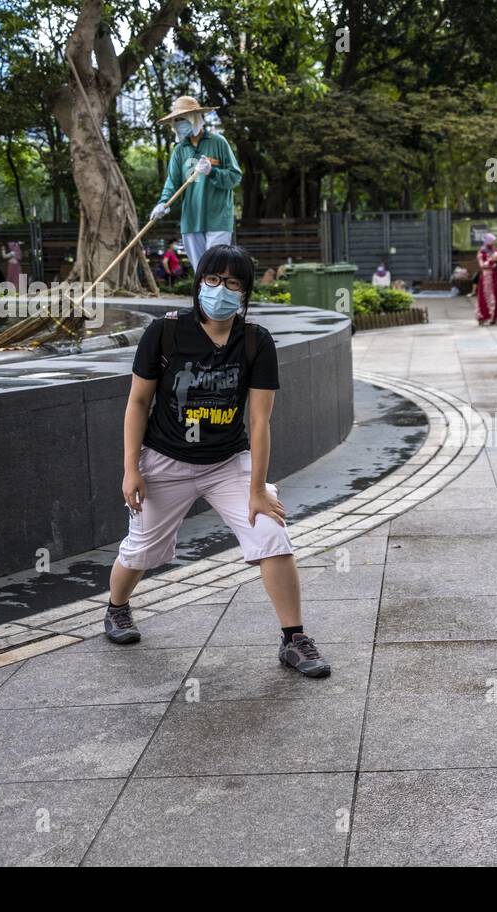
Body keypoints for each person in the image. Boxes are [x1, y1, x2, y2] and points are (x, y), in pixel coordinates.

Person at [105, 244, 330, 677]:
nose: (220, 289)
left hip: (228, 462)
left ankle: (294, 638)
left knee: (271, 532)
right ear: (198, 282)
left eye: (232, 283)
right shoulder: (165, 332)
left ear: (244, 292)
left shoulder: (255, 341)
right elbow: (137, 403)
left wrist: (257, 489)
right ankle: (116, 608)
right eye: (212, 280)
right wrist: (131, 468)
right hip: (165, 461)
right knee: (140, 551)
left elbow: (260, 421)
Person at [149, 96, 242, 271]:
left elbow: (235, 177)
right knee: (201, 272)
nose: (178, 123)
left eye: (182, 119)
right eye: (176, 120)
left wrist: (212, 171)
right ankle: (202, 300)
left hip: (218, 218)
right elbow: (172, 181)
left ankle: (215, 299)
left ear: (195, 117)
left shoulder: (218, 142)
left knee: (215, 269)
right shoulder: (179, 150)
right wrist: (163, 202)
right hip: (191, 219)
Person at [474, 232, 497, 325]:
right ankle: (483, 317)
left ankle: (495, 317)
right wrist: (492, 260)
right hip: (487, 276)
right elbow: (482, 265)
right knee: (486, 296)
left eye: (494, 241)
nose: (494, 243)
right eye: (492, 241)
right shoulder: (482, 251)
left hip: (496, 276)